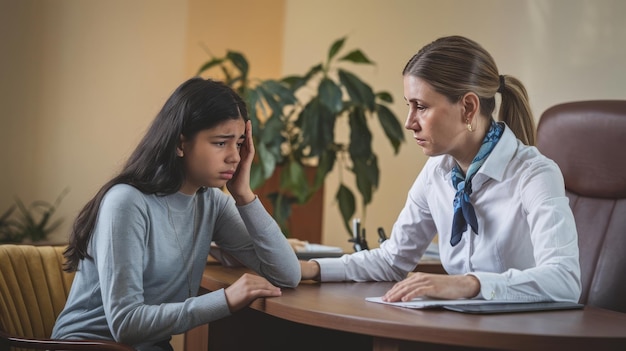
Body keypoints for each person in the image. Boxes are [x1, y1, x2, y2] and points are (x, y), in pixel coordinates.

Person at [300, 35, 581, 304]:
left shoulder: (535, 174)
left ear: (468, 108)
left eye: (421, 107)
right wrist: (311, 269)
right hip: (461, 327)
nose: (409, 122)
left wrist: (470, 284)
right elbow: (392, 259)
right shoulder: (437, 171)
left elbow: (564, 280)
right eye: (408, 106)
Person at [52, 77, 300, 350]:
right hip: (90, 346)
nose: (235, 157)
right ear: (181, 144)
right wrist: (226, 299)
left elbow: (287, 274)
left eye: (239, 143)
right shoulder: (126, 202)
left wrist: (245, 195)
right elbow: (125, 324)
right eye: (221, 143)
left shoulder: (211, 203)